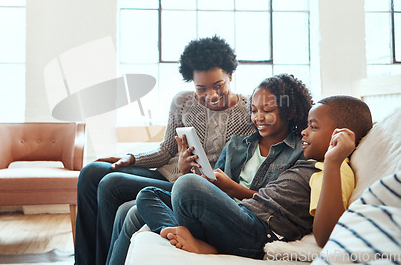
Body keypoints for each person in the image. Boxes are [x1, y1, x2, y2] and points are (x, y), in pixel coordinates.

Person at [75, 36, 255, 265]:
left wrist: (191, 172)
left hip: (191, 186)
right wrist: (130, 158)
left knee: (111, 184)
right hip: (166, 172)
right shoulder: (182, 101)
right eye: (201, 88)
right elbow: (165, 149)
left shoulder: (251, 111)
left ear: (230, 75)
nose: (210, 95)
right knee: (91, 172)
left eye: (218, 86)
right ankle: (83, 261)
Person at [106, 73, 313, 264]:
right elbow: (211, 187)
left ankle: (200, 242)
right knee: (146, 196)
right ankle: (179, 232)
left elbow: (274, 205)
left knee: (152, 203)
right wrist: (188, 171)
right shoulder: (237, 145)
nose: (258, 117)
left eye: (267, 111)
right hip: (219, 213)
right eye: (253, 111)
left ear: (290, 111)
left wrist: (230, 188)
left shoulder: (300, 153)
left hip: (252, 223)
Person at [136, 95, 373, 259]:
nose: (304, 131)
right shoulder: (312, 164)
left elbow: (326, 236)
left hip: (258, 233)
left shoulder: (336, 169)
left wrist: (333, 161)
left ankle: (198, 241)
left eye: (313, 127)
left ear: (339, 136)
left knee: (187, 185)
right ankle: (183, 234)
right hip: (244, 215)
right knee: (148, 194)